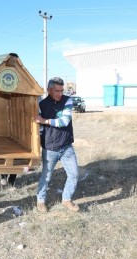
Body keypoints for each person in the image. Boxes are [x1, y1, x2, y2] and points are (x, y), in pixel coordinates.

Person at [34, 77, 80, 213]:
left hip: (66, 147)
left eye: (62, 90)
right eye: (56, 91)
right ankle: (40, 201)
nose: (60, 93)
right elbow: (39, 128)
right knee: (46, 177)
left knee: (74, 174)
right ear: (49, 90)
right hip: (50, 148)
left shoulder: (67, 100)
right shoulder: (41, 105)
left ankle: (66, 199)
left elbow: (64, 121)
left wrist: (45, 121)